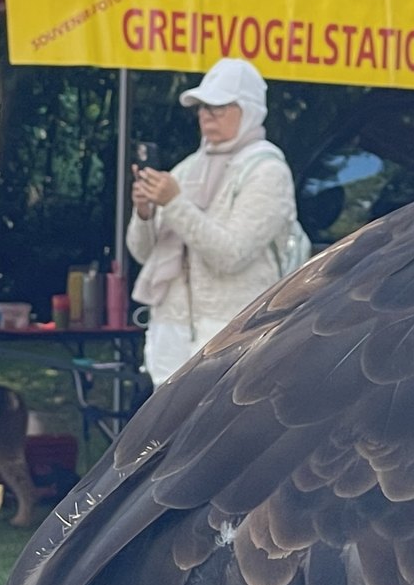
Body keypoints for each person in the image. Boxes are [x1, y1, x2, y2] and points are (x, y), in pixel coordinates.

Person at [127, 56, 299, 383]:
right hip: (171, 331)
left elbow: (231, 255)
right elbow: (143, 253)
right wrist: (144, 213)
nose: (207, 115)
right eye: (203, 107)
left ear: (249, 110)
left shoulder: (267, 171)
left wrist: (173, 203)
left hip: (233, 333)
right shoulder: (187, 168)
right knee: (164, 419)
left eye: (218, 107)